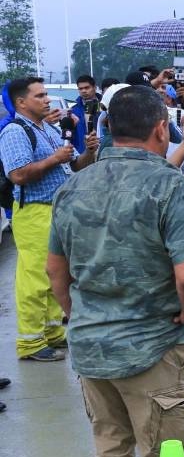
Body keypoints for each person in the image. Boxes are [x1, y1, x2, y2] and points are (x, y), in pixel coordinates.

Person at [44, 84, 184, 457]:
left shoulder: (74, 185)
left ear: (110, 130)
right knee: (165, 455)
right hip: (151, 346)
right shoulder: (169, 186)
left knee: (110, 447)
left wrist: (73, 313)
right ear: (162, 127)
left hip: (92, 347)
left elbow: (56, 269)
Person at [0, 77, 98, 361]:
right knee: (35, 277)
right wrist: (55, 159)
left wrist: (90, 150)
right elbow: (17, 174)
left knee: (57, 274)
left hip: (58, 210)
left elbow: (76, 165)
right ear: (21, 102)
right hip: (34, 211)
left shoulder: (49, 130)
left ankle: (53, 332)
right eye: (40, 95)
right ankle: (30, 342)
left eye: (46, 94)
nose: (47, 100)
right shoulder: (15, 132)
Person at [69, 74, 101, 153]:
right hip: (82, 155)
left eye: (87, 88)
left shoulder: (105, 107)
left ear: (94, 88)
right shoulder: (73, 111)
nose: (83, 91)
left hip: (103, 152)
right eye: (80, 89)